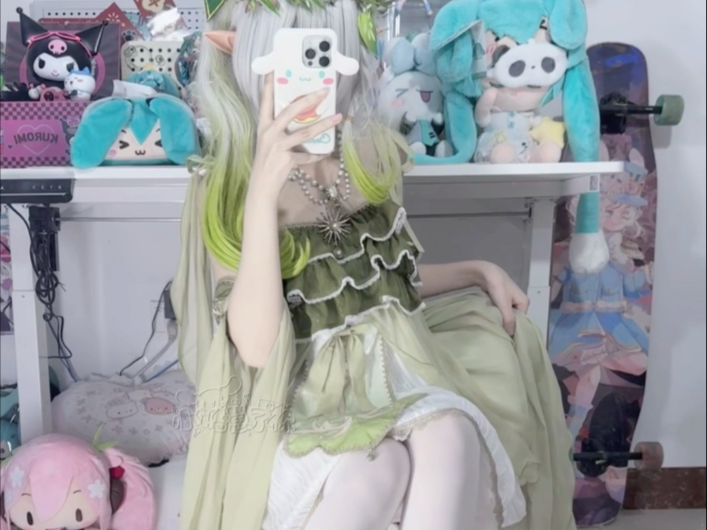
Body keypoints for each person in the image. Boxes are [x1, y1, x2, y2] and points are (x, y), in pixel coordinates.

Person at [171, 1, 576, 529]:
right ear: (245, 55)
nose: (309, 75)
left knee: (449, 431)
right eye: (289, 54)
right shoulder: (226, 181)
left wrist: (476, 270)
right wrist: (263, 193)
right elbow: (256, 347)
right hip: (297, 393)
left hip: (395, 365)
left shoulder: (372, 153)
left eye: (322, 51)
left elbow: (379, 286)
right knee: (377, 468)